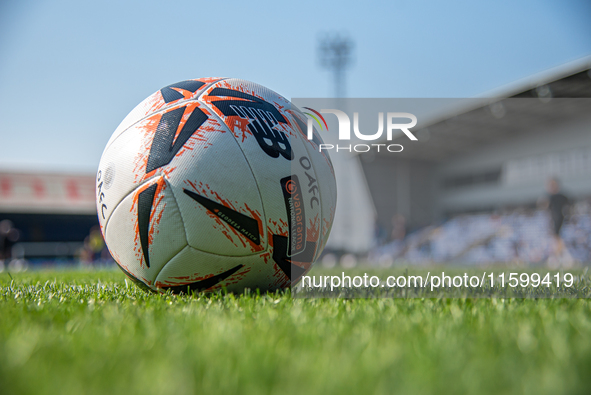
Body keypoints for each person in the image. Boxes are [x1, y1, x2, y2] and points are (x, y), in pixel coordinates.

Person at [539, 178, 570, 265]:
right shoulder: (554, 197)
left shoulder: (555, 197)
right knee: (556, 240)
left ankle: (559, 258)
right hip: (555, 220)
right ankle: (558, 257)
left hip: (559, 221)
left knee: (558, 239)